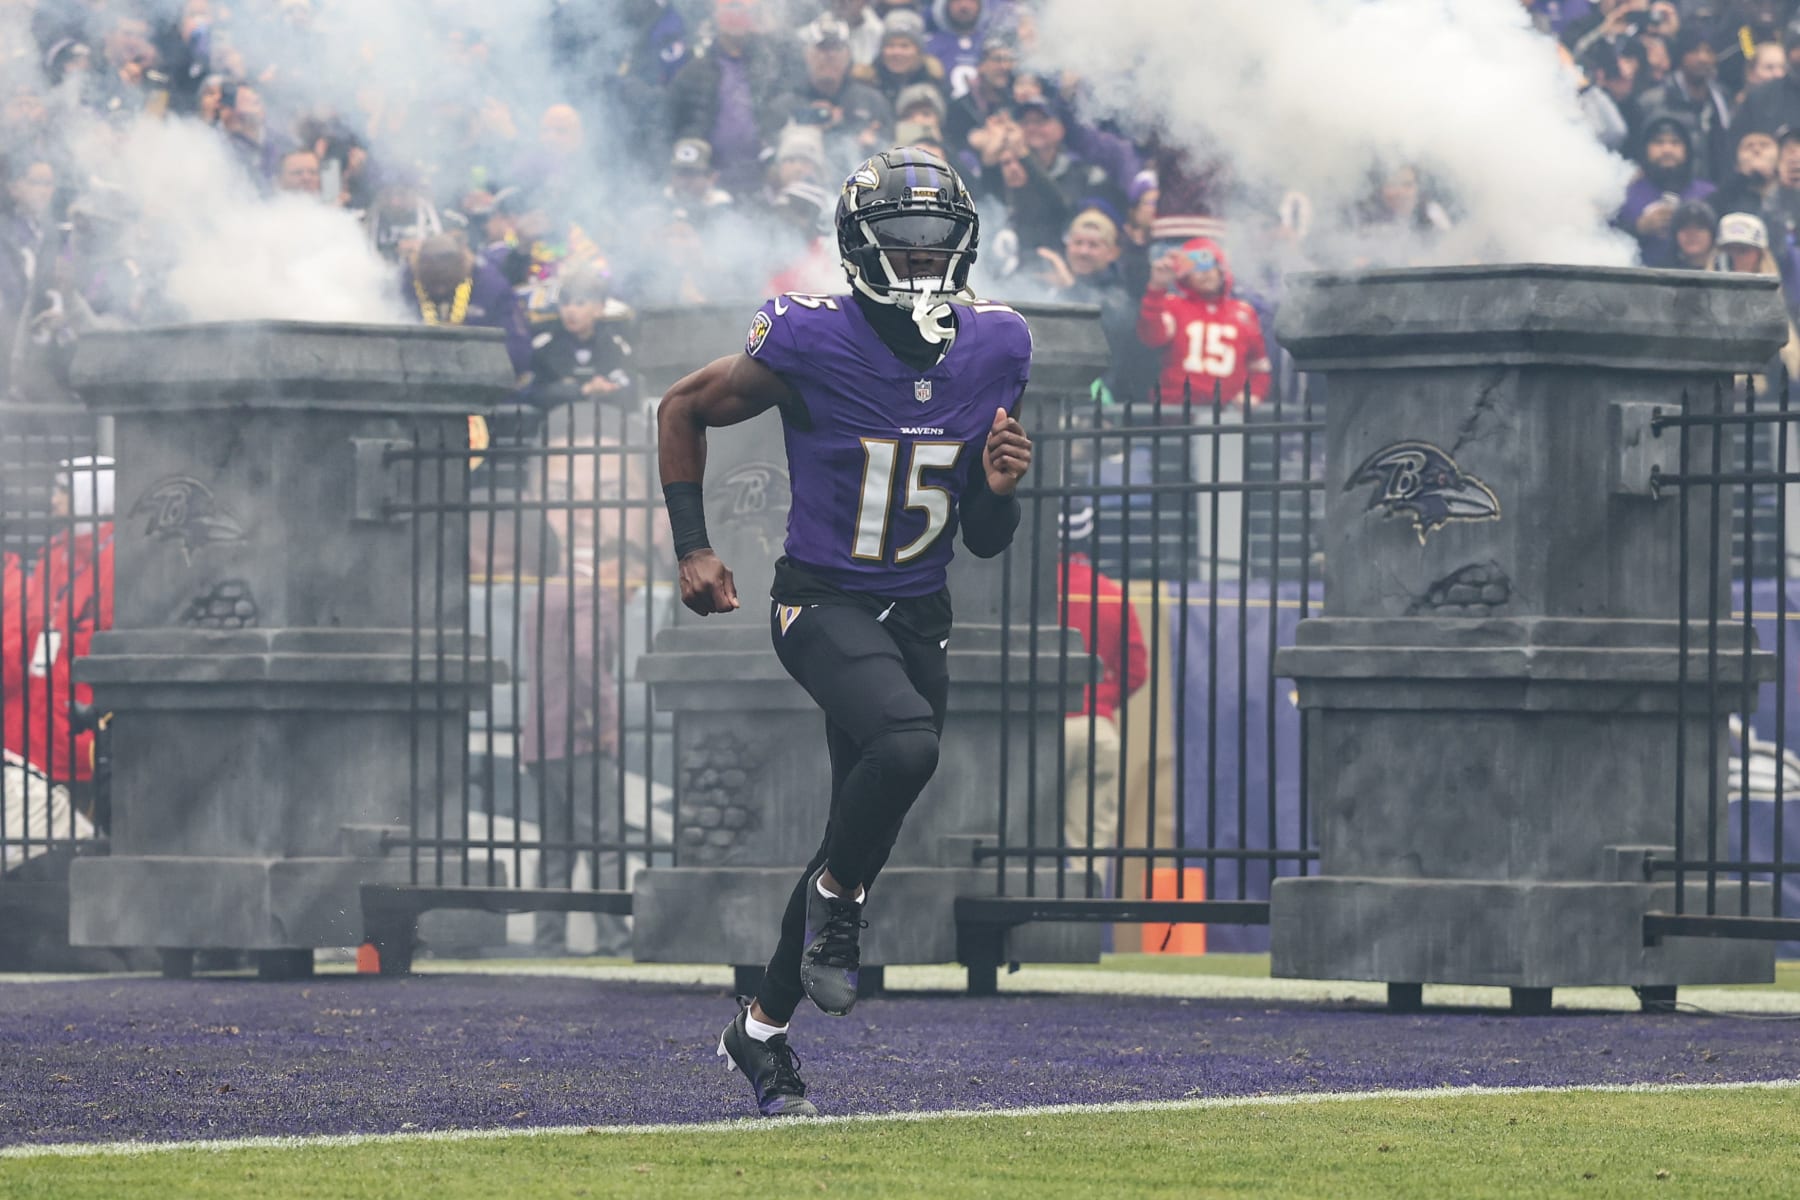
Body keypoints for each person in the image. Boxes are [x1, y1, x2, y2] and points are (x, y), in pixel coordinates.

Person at [659, 147, 1031, 1117]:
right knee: (907, 747)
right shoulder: (808, 337)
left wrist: (998, 490)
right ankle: (838, 900)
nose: (918, 264)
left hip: (918, 611)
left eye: (934, 246)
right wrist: (693, 548)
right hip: (819, 602)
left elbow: (984, 540)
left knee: (849, 835)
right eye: (900, 248)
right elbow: (681, 408)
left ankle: (761, 1033)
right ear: (860, 249)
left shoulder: (997, 346)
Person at [1055, 502, 1146, 873]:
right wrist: (1105, 698)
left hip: (1039, 729)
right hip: (1097, 727)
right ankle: (1081, 925)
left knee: (1023, 845)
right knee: (1088, 849)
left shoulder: (1032, 593)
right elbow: (1137, 669)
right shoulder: (1110, 593)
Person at [1617, 111, 1716, 267]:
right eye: (1658, 142)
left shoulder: (1708, 194)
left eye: (1675, 142)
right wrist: (1639, 228)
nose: (1667, 149)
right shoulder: (1625, 195)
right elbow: (1605, 239)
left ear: (1687, 150)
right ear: (1645, 149)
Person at [1671, 199, 1721, 270]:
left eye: (1700, 227)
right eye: (1685, 227)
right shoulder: (1663, 271)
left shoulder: (1728, 270)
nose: (1691, 234)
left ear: (1712, 234)